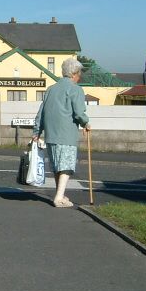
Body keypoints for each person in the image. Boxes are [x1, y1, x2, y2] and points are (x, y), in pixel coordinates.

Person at [32, 57, 91, 208]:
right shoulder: (75, 89)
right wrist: (86, 123)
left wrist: (37, 131)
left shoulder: (51, 89)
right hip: (66, 134)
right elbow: (79, 111)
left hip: (51, 135)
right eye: (79, 73)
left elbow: (41, 112)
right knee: (65, 166)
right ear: (74, 73)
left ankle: (61, 195)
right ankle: (58, 198)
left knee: (58, 166)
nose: (80, 76)